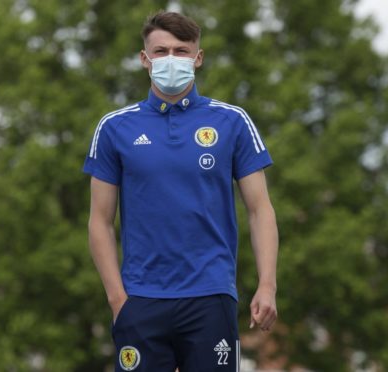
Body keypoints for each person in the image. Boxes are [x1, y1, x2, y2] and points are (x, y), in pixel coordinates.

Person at [83, 11, 278, 372]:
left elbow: (260, 209)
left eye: (181, 50)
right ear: (145, 59)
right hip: (140, 299)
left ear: (198, 58)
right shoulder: (114, 128)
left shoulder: (233, 121)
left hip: (211, 297)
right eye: (161, 51)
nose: (171, 60)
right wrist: (117, 301)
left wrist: (267, 285)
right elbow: (99, 221)